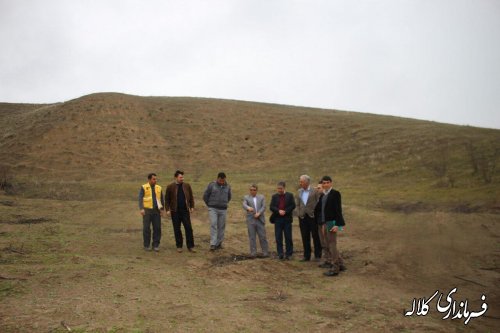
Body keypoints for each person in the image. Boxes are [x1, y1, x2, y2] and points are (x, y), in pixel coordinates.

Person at [315, 176, 346, 276]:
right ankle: (340, 264)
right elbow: (319, 209)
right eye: (323, 183)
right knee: (328, 244)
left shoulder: (335, 194)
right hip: (325, 222)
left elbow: (338, 210)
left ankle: (335, 268)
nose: (325, 184)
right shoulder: (323, 195)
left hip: (332, 222)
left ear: (331, 183)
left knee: (332, 245)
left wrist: (338, 224)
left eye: (327, 182)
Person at [165, 170, 196, 253]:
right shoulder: (170, 187)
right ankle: (179, 246)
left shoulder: (187, 186)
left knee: (188, 228)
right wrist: (167, 209)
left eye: (182, 177)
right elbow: (167, 199)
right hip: (175, 211)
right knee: (177, 229)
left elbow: (191, 197)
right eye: (180, 177)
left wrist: (192, 206)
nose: (182, 178)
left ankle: (191, 246)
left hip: (185, 211)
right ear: (176, 177)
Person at [203, 172, 232, 251]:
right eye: (220, 180)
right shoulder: (211, 185)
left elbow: (229, 197)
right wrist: (209, 204)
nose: (222, 182)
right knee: (213, 224)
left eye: (223, 180)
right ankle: (213, 244)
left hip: (223, 209)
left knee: (221, 226)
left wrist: (224, 203)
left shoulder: (228, 186)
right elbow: (205, 195)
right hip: (213, 208)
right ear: (217, 178)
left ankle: (219, 243)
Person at [296, 175, 322, 262]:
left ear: (307, 182)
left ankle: (318, 255)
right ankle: (306, 256)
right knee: (305, 236)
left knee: (316, 236)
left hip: (312, 217)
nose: (300, 183)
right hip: (303, 217)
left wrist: (316, 213)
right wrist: (299, 213)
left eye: (301, 181)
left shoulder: (315, 191)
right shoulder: (299, 191)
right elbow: (298, 204)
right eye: (300, 181)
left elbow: (319, 202)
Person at [269, 181, 296, 260]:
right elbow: (271, 206)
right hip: (277, 219)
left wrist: (286, 211)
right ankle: (280, 253)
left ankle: (289, 253)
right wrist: (278, 211)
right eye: (278, 188)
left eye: (281, 188)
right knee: (278, 237)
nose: (279, 190)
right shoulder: (274, 196)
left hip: (287, 219)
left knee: (288, 237)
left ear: (284, 188)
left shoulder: (290, 195)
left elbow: (293, 205)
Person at [138, 173, 164, 252]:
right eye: (153, 179)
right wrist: (141, 208)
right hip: (147, 211)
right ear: (149, 179)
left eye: (155, 179)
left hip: (156, 211)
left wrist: (162, 209)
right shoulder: (144, 187)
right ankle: (146, 245)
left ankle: (155, 245)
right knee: (146, 228)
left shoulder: (159, 188)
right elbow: (140, 198)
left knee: (157, 228)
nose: (155, 180)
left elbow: (161, 199)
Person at [242, 184, 269, 258]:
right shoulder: (246, 197)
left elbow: (264, 207)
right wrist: (248, 208)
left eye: (254, 190)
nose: (252, 191)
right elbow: (244, 204)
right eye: (251, 190)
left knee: (262, 236)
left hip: (260, 220)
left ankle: (265, 252)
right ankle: (253, 253)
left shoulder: (261, 197)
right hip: (251, 220)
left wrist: (259, 213)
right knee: (252, 237)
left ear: (256, 190)